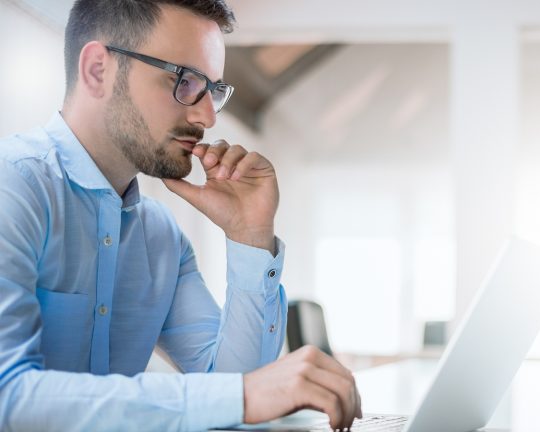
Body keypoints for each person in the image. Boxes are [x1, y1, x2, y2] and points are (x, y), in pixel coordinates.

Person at [0, 0, 361, 430]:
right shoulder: (13, 188)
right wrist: (243, 396)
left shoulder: (160, 236)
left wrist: (250, 235)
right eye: (185, 81)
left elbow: (234, 391)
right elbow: (8, 398)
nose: (206, 116)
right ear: (98, 70)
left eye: (213, 90)